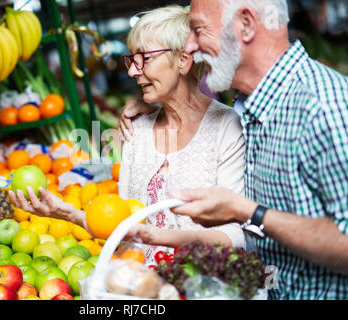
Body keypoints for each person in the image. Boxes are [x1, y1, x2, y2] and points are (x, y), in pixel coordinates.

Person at [118, 0, 348, 300]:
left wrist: (248, 213)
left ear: (246, 25)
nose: (189, 46)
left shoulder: (322, 107)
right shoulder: (252, 109)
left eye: (198, 29)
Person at [9, 5, 248, 266]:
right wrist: (67, 213)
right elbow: (122, 226)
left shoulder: (227, 128)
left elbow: (236, 236)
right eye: (132, 60)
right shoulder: (137, 129)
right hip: (141, 287)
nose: (133, 71)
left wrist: (157, 236)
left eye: (145, 58)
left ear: (183, 59)